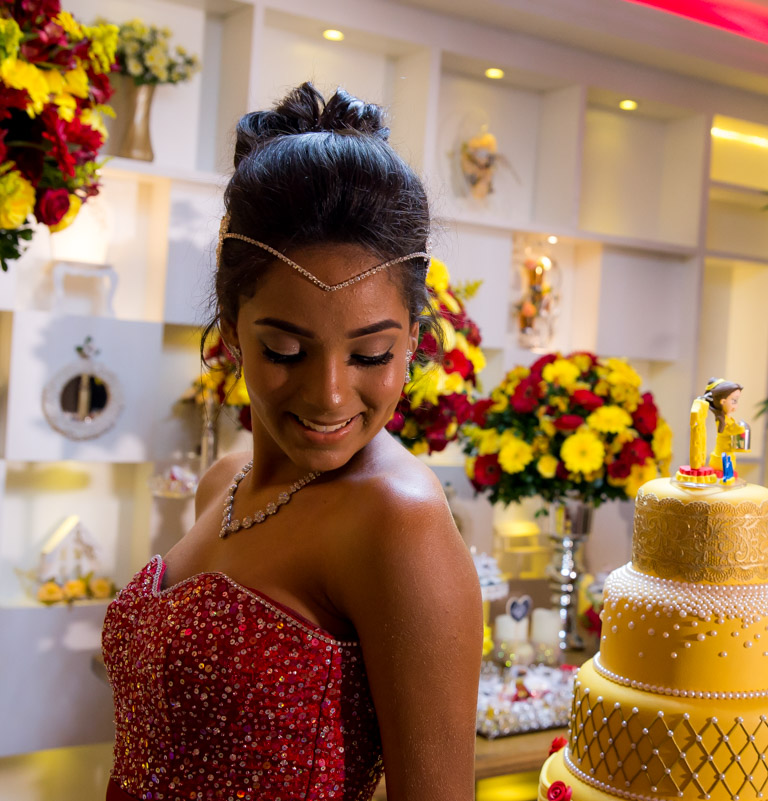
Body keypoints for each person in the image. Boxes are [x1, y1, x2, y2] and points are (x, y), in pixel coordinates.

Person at [101, 84, 482, 801]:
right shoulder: (225, 480)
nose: (330, 396)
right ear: (232, 325)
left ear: (415, 344)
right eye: (284, 349)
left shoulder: (397, 521)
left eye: (370, 356)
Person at [687, 378, 747, 472]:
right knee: (724, 478)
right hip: (721, 458)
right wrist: (741, 429)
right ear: (723, 402)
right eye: (734, 401)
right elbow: (728, 430)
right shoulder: (721, 420)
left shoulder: (728, 418)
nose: (736, 405)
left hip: (727, 455)